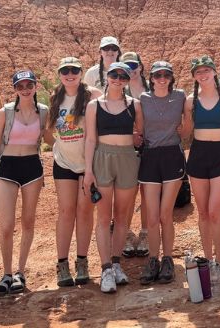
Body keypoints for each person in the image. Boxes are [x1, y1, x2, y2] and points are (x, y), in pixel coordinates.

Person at [83, 61, 144, 294]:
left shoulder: (134, 105)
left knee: (121, 217)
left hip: (127, 159)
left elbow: (141, 134)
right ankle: (105, 268)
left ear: (128, 80)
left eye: (123, 77)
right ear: (107, 77)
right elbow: (90, 139)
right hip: (102, 159)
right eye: (114, 75)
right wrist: (88, 171)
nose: (118, 80)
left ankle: (117, 263)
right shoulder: (94, 106)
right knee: (102, 217)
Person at [0, 69, 48, 295]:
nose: (25, 90)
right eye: (20, 86)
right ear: (14, 89)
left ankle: (20, 272)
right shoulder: (5, 113)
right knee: (6, 225)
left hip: (33, 167)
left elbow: (50, 137)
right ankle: (6, 273)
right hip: (7, 168)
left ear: (35, 87)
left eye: (28, 85)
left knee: (29, 221)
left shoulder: (43, 112)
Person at [183, 55, 220, 286]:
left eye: (207, 69)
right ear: (194, 76)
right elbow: (186, 133)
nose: (203, 74)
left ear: (215, 72)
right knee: (203, 213)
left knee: (215, 211)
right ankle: (207, 261)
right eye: (198, 71)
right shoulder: (190, 101)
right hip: (198, 156)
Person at [44, 57, 101, 287]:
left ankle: (82, 261)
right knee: (66, 211)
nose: (70, 74)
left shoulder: (92, 95)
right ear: (59, 74)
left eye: (74, 70)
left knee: (85, 211)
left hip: (88, 163)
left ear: (81, 72)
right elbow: (49, 134)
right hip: (64, 162)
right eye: (65, 70)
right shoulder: (55, 99)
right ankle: (62, 264)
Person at [137, 61, 187, 285]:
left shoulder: (181, 97)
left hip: (172, 156)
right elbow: (137, 128)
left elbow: (190, 124)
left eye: (166, 74)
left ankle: (167, 259)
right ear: (151, 78)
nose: (162, 78)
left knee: (166, 214)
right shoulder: (143, 100)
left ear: (171, 77)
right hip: (150, 156)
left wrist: (186, 130)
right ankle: (152, 260)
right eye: (158, 75)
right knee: (152, 217)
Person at [119, 51, 149, 258]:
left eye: (134, 64)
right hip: (126, 147)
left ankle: (145, 233)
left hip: (150, 145)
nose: (131, 69)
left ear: (141, 66)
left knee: (147, 192)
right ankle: (126, 234)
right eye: (126, 66)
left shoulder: (152, 87)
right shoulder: (119, 89)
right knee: (127, 193)